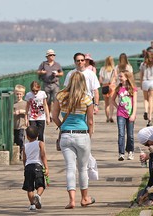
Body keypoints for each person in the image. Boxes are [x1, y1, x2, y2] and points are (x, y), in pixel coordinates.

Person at [52, 71, 95, 209]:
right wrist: (89, 135)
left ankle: (71, 200)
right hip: (82, 134)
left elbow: (54, 116)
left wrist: (62, 127)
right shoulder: (87, 99)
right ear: (82, 83)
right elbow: (90, 121)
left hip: (66, 135)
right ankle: (84, 198)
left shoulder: (60, 96)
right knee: (82, 169)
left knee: (70, 168)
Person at [111, 70, 137, 161]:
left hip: (130, 114)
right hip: (120, 114)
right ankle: (121, 153)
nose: (119, 78)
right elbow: (112, 99)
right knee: (121, 134)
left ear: (127, 77)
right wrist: (118, 107)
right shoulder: (118, 88)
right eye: (119, 76)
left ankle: (130, 151)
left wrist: (133, 114)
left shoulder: (133, 88)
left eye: (121, 76)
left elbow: (135, 102)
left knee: (130, 134)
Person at [22, 125, 49, 211]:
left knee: (29, 188)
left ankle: (32, 204)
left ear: (27, 136)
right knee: (40, 185)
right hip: (38, 166)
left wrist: (25, 167)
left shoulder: (25, 146)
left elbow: (24, 159)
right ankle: (38, 195)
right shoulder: (40, 143)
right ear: (37, 135)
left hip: (28, 167)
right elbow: (43, 155)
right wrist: (46, 167)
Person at [37, 49, 63, 117]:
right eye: (50, 55)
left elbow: (62, 73)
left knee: (56, 100)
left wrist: (57, 74)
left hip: (55, 84)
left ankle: (55, 114)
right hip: (46, 83)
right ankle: (48, 115)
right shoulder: (43, 64)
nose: (52, 56)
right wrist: (42, 72)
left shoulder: (57, 64)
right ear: (47, 56)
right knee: (47, 100)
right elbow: (38, 71)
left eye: (53, 55)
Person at [99, 56, 116, 123]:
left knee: (106, 104)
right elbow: (115, 77)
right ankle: (111, 116)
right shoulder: (114, 69)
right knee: (112, 102)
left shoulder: (102, 69)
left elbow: (100, 79)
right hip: (112, 86)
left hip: (105, 86)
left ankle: (107, 117)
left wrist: (103, 82)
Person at [13, 84, 27, 158]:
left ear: (23, 94)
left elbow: (28, 112)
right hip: (15, 125)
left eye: (20, 94)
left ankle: (21, 151)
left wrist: (22, 111)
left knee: (21, 138)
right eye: (17, 94)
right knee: (15, 139)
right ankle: (17, 152)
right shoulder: (14, 104)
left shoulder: (25, 103)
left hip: (22, 125)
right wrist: (14, 113)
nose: (18, 96)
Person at [140, 51, 153, 126]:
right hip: (152, 82)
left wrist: (141, 83)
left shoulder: (143, 64)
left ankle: (145, 111)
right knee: (151, 99)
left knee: (145, 99)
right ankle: (150, 118)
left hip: (145, 82)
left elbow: (141, 75)